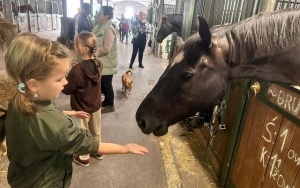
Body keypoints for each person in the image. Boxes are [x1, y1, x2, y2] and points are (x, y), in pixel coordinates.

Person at [4, 33, 148, 187]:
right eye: (59, 79)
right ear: (33, 84)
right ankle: (84, 156)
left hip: (22, 178)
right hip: (47, 182)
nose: (65, 82)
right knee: (93, 133)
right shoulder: (98, 64)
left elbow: (46, 116)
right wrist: (125, 148)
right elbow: (88, 144)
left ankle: (83, 157)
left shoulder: (19, 98)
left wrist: (70, 113)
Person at [62, 32, 104, 166]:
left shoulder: (77, 70)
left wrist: (70, 73)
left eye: (77, 44)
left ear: (85, 49)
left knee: (82, 133)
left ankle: (84, 156)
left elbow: (67, 90)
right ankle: (98, 151)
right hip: (96, 105)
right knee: (96, 131)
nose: (74, 46)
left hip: (81, 109)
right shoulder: (99, 64)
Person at [93, 6, 118, 113]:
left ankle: (111, 105)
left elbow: (107, 48)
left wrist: (93, 52)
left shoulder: (108, 29)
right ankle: (107, 101)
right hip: (102, 61)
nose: (98, 15)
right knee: (103, 83)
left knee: (107, 84)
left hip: (107, 61)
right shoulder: (100, 25)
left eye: (100, 13)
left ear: (106, 16)